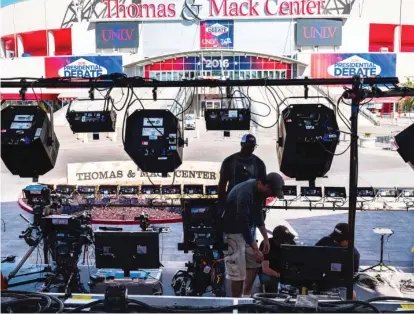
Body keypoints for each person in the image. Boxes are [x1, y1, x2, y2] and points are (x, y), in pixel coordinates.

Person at [218, 134, 267, 295]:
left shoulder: (259, 163)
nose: (250, 149)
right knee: (236, 258)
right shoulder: (229, 161)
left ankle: (245, 294)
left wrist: (260, 214)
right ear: (241, 145)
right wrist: (223, 207)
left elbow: (263, 190)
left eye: (252, 147)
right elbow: (222, 185)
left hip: (250, 214)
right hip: (233, 214)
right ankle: (236, 298)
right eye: (247, 146)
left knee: (250, 256)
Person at [222, 173, 285, 297]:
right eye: (271, 192)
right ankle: (236, 301)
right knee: (237, 273)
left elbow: (258, 214)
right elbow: (242, 224)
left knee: (256, 261)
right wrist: (255, 248)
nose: (272, 195)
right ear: (263, 184)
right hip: (232, 233)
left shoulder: (260, 192)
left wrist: (266, 237)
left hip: (246, 231)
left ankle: (246, 295)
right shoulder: (245, 193)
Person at [259, 225, 296, 292]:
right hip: (271, 272)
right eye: (285, 240)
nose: (288, 242)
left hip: (286, 271)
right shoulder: (267, 245)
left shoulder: (291, 243)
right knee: (269, 280)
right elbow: (265, 269)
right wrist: (278, 275)